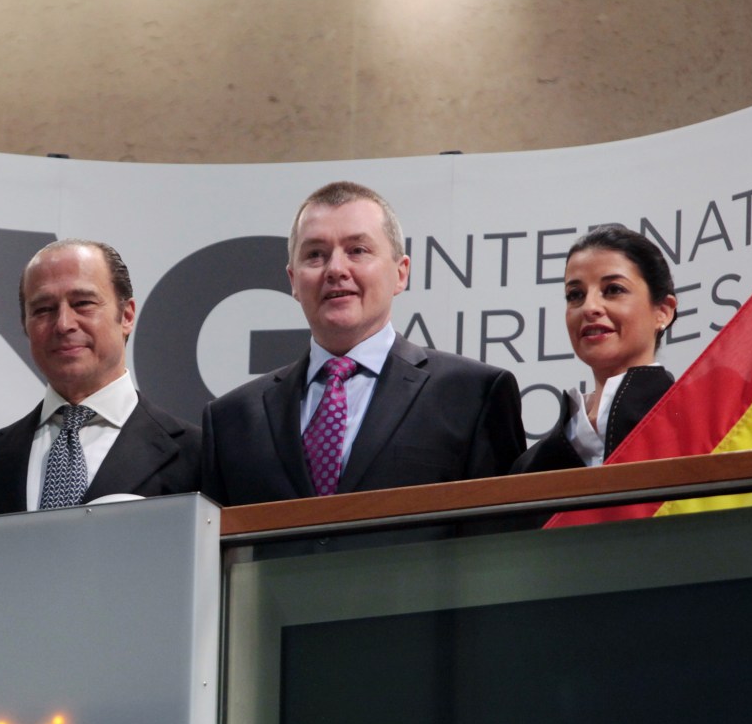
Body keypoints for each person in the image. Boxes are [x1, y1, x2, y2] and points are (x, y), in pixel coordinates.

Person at [201, 181, 525, 505]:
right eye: (315, 255)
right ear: (293, 281)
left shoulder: (473, 394)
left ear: (401, 273)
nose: (336, 269)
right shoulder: (231, 420)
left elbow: (502, 529)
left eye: (357, 250)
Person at [0, 239, 200, 518]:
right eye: (43, 309)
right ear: (25, 325)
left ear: (126, 316)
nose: (63, 324)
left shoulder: (198, 455)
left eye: (83, 303)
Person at [510, 225, 677, 473]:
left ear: (663, 311)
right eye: (575, 295)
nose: (590, 307)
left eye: (613, 290)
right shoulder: (530, 469)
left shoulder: (707, 428)